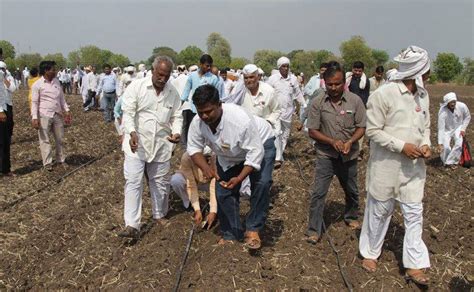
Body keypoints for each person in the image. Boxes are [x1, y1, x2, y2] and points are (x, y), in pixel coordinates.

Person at [359, 46, 432, 285]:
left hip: (413, 169)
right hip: (386, 166)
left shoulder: (423, 95)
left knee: (414, 214)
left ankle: (414, 264)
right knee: (380, 211)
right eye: (427, 69)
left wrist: (426, 144)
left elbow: (426, 127)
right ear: (418, 71)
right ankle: (370, 253)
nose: (430, 73)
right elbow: (372, 131)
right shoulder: (384, 94)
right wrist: (402, 146)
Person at [187, 84, 276, 249]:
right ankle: (231, 233)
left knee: (261, 184)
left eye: (209, 111)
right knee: (223, 192)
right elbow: (193, 148)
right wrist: (207, 169)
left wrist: (240, 178)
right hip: (229, 155)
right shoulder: (197, 123)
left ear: (219, 105)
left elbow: (255, 152)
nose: (205, 116)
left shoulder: (239, 120)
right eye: (201, 112)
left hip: (261, 144)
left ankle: (253, 229)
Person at [118, 56, 182, 239]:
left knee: (160, 182)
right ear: (153, 71)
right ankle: (132, 224)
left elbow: (177, 116)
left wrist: (176, 132)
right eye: (160, 75)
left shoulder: (173, 92)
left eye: (166, 76)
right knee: (133, 182)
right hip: (136, 144)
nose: (162, 79)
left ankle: (159, 214)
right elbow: (128, 113)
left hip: (162, 145)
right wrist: (131, 132)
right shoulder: (136, 87)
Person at [304, 61, 366, 244]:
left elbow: (361, 126)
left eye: (337, 83)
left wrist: (350, 142)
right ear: (324, 83)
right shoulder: (317, 102)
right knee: (319, 192)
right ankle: (313, 229)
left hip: (349, 154)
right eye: (330, 84)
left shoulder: (355, 101)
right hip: (326, 155)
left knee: (352, 190)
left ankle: (351, 216)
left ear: (343, 82)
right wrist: (332, 142)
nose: (334, 87)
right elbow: (312, 131)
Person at [31, 61, 72, 171]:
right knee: (45, 140)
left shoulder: (57, 82)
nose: (55, 71)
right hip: (44, 115)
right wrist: (34, 117)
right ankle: (47, 163)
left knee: (60, 138)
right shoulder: (37, 85)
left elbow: (62, 98)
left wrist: (66, 110)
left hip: (57, 114)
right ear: (46, 71)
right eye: (53, 69)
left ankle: (61, 159)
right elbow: (34, 102)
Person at [267, 56, 306, 168]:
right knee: (277, 133)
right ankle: (277, 158)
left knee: (285, 135)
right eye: (283, 66)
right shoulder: (273, 79)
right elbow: (267, 92)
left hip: (288, 112)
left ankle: (280, 153)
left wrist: (304, 104)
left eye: (287, 66)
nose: (285, 68)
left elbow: (298, 93)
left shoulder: (293, 79)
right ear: (279, 67)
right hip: (276, 111)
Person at [180, 54, 221, 147]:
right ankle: (192, 148)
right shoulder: (192, 76)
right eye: (207, 65)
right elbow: (187, 89)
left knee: (207, 130)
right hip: (194, 109)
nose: (209, 67)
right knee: (194, 130)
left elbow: (217, 94)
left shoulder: (213, 78)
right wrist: (181, 103)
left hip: (208, 111)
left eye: (210, 65)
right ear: (201, 64)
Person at [170, 150, 218, 228]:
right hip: (193, 179)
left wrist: (213, 211)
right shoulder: (187, 157)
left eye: (208, 159)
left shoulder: (217, 158)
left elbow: (214, 186)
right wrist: (197, 209)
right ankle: (189, 204)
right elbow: (191, 185)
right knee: (176, 180)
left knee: (221, 188)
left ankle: (216, 209)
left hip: (207, 183)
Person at [437, 92, 471, 167]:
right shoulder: (442, 112)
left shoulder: (462, 106)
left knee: (459, 144)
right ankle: (445, 161)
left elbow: (467, 117)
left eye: (454, 102)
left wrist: (463, 129)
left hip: (458, 127)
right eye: (450, 102)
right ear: (447, 103)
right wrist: (440, 143)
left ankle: (451, 162)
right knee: (445, 147)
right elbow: (441, 128)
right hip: (447, 129)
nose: (452, 104)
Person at [0, 61, 16, 176]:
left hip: (7, 108)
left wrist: (4, 78)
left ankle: (5, 169)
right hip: (2, 110)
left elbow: (13, 89)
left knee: (6, 140)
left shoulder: (6, 77)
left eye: (3, 69)